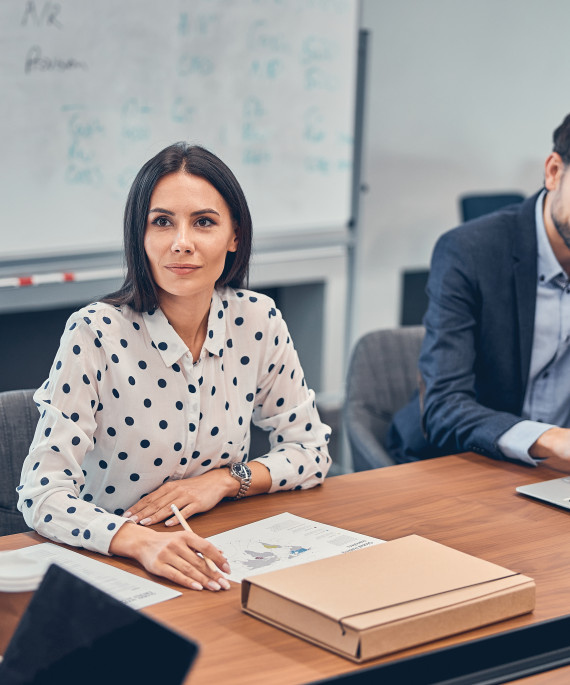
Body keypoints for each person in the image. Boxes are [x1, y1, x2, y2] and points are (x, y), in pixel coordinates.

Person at [17, 143, 331, 592]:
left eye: (204, 222)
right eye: (162, 222)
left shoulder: (258, 320)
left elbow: (311, 453)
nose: (181, 243)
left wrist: (225, 481)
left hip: (220, 551)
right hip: (113, 561)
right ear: (140, 236)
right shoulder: (94, 332)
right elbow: (42, 494)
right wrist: (140, 542)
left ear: (234, 236)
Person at [388, 113, 570, 466]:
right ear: (553, 172)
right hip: (463, 460)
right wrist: (550, 439)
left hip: (557, 475)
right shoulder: (470, 252)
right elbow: (444, 406)